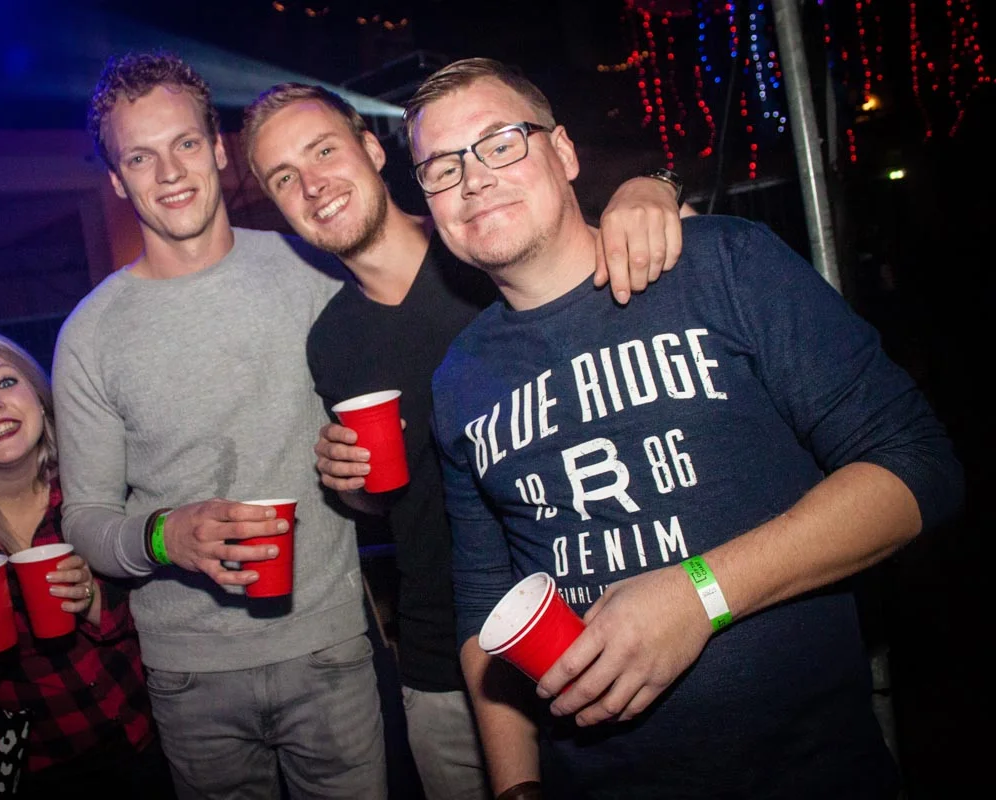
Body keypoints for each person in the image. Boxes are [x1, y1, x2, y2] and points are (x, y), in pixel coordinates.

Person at [407, 58, 963, 798]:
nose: (473, 179)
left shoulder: (721, 263)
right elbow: (485, 607)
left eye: (501, 143)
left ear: (563, 152)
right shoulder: (458, 380)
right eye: (441, 167)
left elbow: (918, 467)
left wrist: (700, 593)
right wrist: (518, 789)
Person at [242, 83, 684, 800]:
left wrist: (653, 187)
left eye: (323, 151)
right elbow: (394, 503)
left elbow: (578, 219)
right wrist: (352, 486)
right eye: (283, 178)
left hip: (606, 623)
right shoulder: (332, 340)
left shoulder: (487, 243)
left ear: (373, 149)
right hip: (448, 664)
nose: (312, 184)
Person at [52, 52, 386, 800]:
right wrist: (165, 537)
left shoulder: (316, 272)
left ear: (219, 148)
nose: (170, 172)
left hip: (328, 647)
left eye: (185, 144)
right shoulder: (90, 334)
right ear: (117, 180)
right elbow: (86, 520)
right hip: (189, 676)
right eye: (141, 157)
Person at [0, 330, 173, 798]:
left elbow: (172, 611)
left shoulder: (96, 482)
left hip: (146, 735)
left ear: (40, 395)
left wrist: (92, 596)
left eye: (5, 382)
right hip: (31, 769)